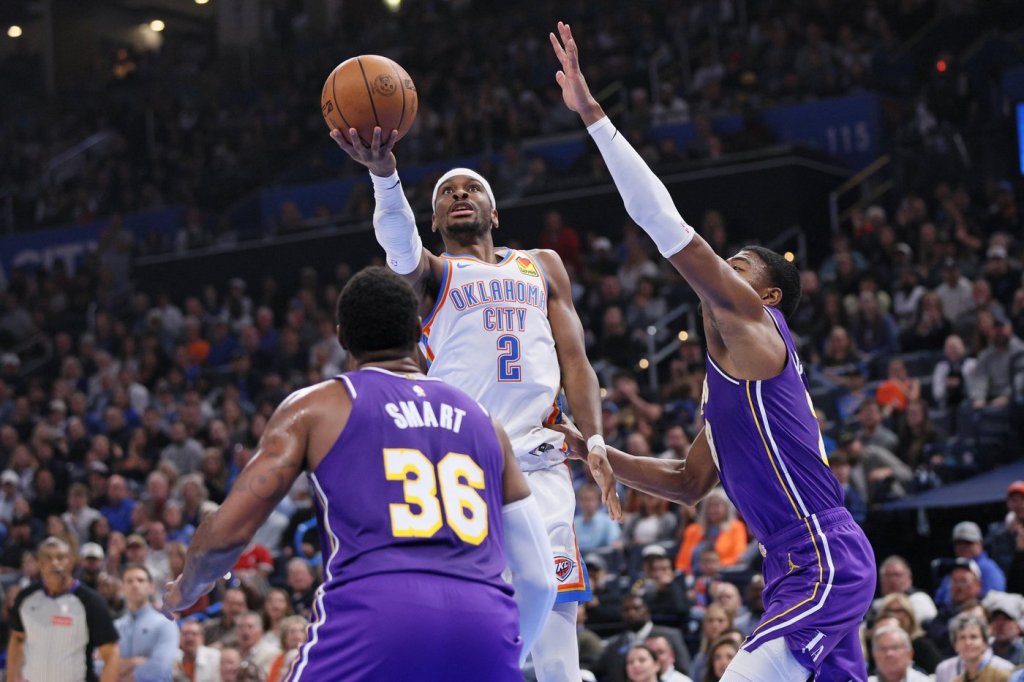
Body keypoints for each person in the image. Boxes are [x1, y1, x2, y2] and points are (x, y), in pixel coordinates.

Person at [550, 21, 877, 681]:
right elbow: (688, 482)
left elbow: (661, 220)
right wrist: (593, 454)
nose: (723, 269)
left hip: (822, 553)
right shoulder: (726, 391)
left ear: (769, 296)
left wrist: (594, 117)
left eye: (738, 266)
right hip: (790, 564)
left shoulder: (756, 325)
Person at [330, 85, 620, 682]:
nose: (459, 195)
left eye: (471, 188)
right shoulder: (433, 273)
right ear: (435, 220)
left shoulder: (541, 264)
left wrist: (594, 441)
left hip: (541, 460)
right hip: (464, 466)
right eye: (446, 193)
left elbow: (576, 361)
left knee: (558, 626)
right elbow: (398, 247)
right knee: (475, 618)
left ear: (495, 210)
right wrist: (385, 177)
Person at [161, 267, 557, 681]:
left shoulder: (317, 407)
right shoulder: (485, 421)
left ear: (341, 338)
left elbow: (227, 533)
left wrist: (186, 589)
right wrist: (502, 657)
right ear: (419, 331)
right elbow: (540, 580)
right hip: (484, 627)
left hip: (377, 617)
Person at [7, 536, 121, 682]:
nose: (54, 563)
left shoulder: (91, 601)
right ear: (40, 563)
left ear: (71, 562)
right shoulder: (25, 598)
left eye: (61, 557)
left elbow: (111, 653)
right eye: (48, 558)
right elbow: (17, 638)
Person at [114, 565, 179, 682]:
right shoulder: (115, 627)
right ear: (122, 588)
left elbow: (160, 669)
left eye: (140, 580)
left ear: (151, 587)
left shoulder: (166, 624)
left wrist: (116, 670)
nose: (135, 585)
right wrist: (135, 662)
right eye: (129, 581)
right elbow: (97, 667)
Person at [934, 613, 1013, 682]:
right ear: (955, 645)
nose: (967, 643)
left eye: (973, 637)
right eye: (962, 638)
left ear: (985, 643)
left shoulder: (1005, 671)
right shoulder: (949, 675)